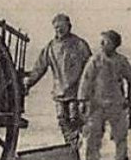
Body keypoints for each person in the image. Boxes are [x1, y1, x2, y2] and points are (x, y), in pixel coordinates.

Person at [25, 13, 93, 152]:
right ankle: (71, 149)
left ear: (69, 27)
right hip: (59, 92)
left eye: (62, 27)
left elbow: (91, 69)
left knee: (76, 119)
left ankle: (80, 148)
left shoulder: (80, 45)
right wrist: (29, 83)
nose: (59, 31)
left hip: (77, 92)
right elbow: (39, 68)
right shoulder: (50, 47)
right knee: (62, 120)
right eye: (56, 28)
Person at [77, 29, 131, 160]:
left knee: (120, 135)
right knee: (93, 135)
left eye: (105, 42)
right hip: (96, 104)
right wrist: (82, 101)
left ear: (114, 44)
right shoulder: (94, 61)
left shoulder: (122, 61)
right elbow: (85, 81)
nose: (102, 44)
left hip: (117, 104)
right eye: (101, 42)